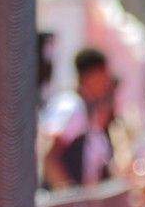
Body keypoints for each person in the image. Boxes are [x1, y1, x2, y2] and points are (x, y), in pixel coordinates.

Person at [43, 47, 126, 190]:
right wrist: (67, 197)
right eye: (103, 74)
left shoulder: (89, 111)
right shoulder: (72, 107)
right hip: (62, 205)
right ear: (92, 76)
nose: (106, 82)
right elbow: (50, 157)